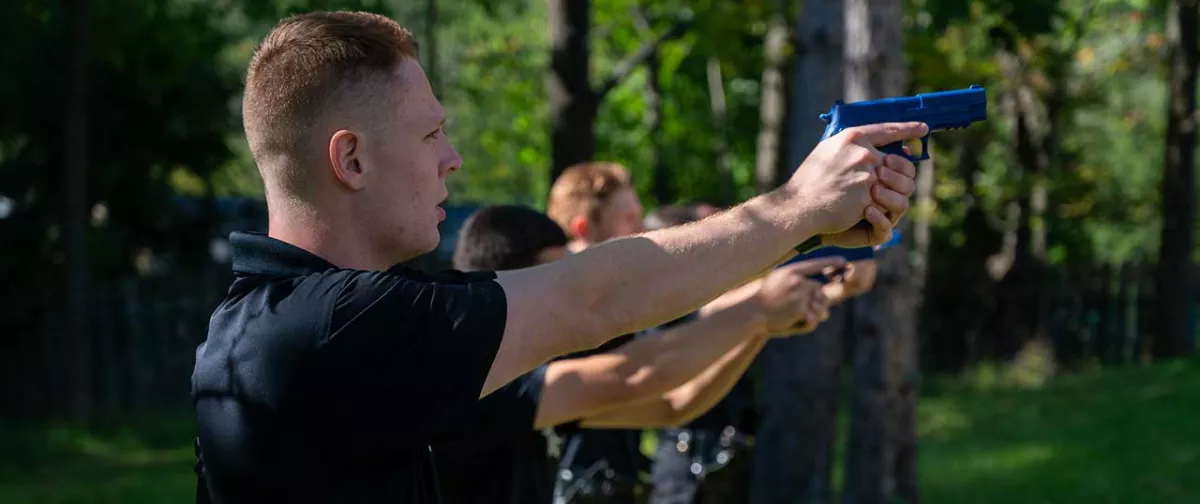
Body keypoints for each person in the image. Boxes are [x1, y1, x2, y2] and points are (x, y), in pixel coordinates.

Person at [190, 10, 925, 503]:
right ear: (350, 158)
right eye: (429, 135)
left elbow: (659, 383)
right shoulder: (332, 329)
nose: (453, 157)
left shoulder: (296, 327)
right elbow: (595, 300)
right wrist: (799, 207)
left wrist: (799, 238)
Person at [434, 204, 841, 504]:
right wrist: (757, 309)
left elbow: (672, 404)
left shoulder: (526, 376)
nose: (563, 295)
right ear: (511, 280)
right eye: (549, 278)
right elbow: (642, 373)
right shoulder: (486, 377)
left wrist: (761, 326)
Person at [644, 205, 881, 504]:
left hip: (730, 460)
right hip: (684, 470)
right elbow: (749, 304)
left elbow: (772, 303)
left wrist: (848, 268)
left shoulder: (730, 300)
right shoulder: (670, 307)